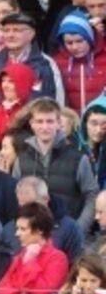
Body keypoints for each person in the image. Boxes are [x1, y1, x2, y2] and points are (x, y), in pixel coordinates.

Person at [13, 97, 100, 233]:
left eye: (50, 121)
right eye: (39, 121)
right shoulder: (21, 160)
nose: (45, 127)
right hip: (32, 235)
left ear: (59, 123)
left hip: (68, 234)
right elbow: (15, 197)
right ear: (32, 124)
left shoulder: (78, 159)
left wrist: (78, 228)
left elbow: (91, 195)